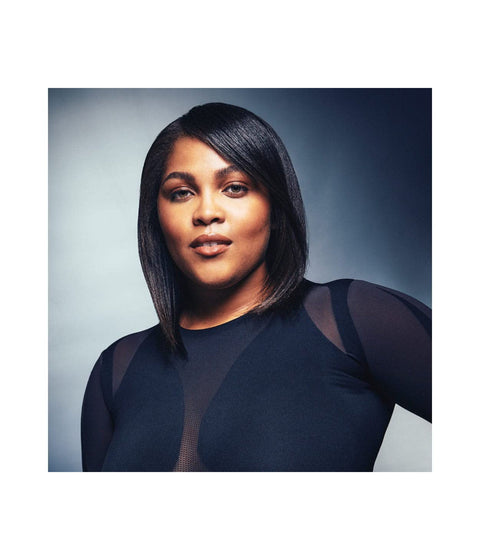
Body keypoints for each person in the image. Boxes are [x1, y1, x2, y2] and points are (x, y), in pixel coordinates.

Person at [81, 102, 431, 472]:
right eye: (181, 192)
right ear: (157, 217)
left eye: (234, 188)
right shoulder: (115, 370)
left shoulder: (355, 319)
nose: (206, 212)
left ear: (275, 208)